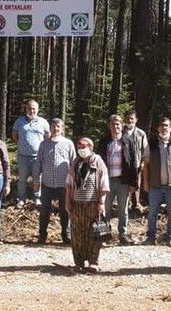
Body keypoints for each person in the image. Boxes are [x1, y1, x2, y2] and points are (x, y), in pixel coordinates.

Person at [65, 137, 109, 273]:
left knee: (94, 234)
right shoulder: (75, 163)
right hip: (76, 203)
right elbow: (69, 184)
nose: (81, 149)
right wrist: (68, 201)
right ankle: (78, 262)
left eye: (84, 146)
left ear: (90, 147)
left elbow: (104, 183)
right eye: (79, 146)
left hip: (93, 203)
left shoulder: (98, 162)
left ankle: (93, 262)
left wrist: (101, 203)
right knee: (77, 233)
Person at [143, 117, 171, 246]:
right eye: (161, 125)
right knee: (152, 213)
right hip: (155, 185)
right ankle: (151, 238)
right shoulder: (151, 144)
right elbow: (146, 165)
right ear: (158, 128)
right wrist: (145, 182)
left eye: (166, 125)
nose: (164, 128)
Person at [96, 115, 138, 245]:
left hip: (123, 181)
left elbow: (133, 163)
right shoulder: (104, 142)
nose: (116, 127)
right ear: (110, 126)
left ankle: (123, 235)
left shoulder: (128, 141)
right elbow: (97, 162)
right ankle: (104, 235)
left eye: (118, 124)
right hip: (106, 181)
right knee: (104, 210)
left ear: (122, 126)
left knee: (123, 210)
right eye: (113, 124)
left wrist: (133, 183)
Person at [35, 118, 76, 244]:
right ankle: (42, 235)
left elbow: (74, 163)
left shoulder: (68, 144)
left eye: (58, 126)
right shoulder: (44, 144)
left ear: (62, 129)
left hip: (64, 184)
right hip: (47, 184)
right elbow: (38, 163)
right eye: (53, 126)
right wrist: (36, 181)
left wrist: (73, 182)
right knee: (44, 211)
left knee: (65, 211)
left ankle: (66, 235)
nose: (55, 129)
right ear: (50, 129)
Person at [12, 99, 50, 208]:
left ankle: (37, 198)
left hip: (37, 157)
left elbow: (47, 136)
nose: (31, 110)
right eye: (29, 108)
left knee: (37, 179)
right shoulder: (19, 121)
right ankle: (21, 199)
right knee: (22, 179)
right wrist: (21, 144)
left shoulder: (43, 122)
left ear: (37, 110)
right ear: (26, 109)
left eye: (34, 108)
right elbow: (14, 134)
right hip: (23, 156)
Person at [123, 110, 149, 212]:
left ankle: (136, 204)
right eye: (128, 118)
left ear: (136, 120)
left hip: (136, 163)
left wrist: (143, 162)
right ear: (125, 119)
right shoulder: (121, 132)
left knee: (136, 184)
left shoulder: (141, 134)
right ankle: (125, 203)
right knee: (123, 184)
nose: (130, 120)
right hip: (123, 164)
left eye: (132, 118)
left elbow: (145, 150)